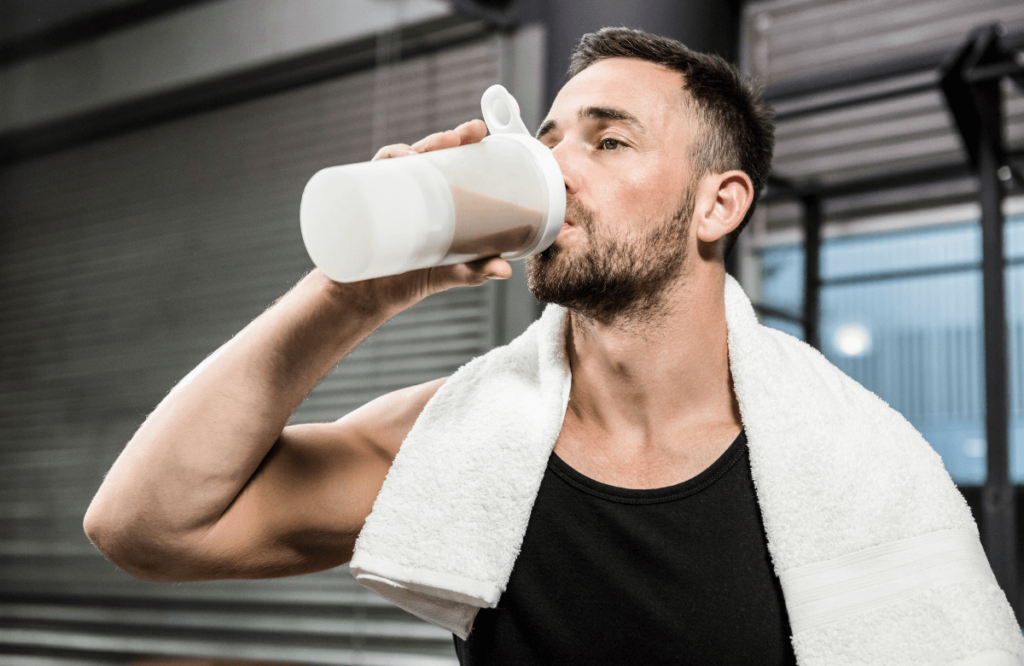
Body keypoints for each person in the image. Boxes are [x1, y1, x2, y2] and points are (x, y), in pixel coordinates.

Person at [84, 28, 788, 663]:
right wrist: (353, 294)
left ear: (718, 204)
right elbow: (147, 529)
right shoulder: (461, 438)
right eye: (547, 145)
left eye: (607, 142)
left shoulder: (834, 459)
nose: (558, 170)